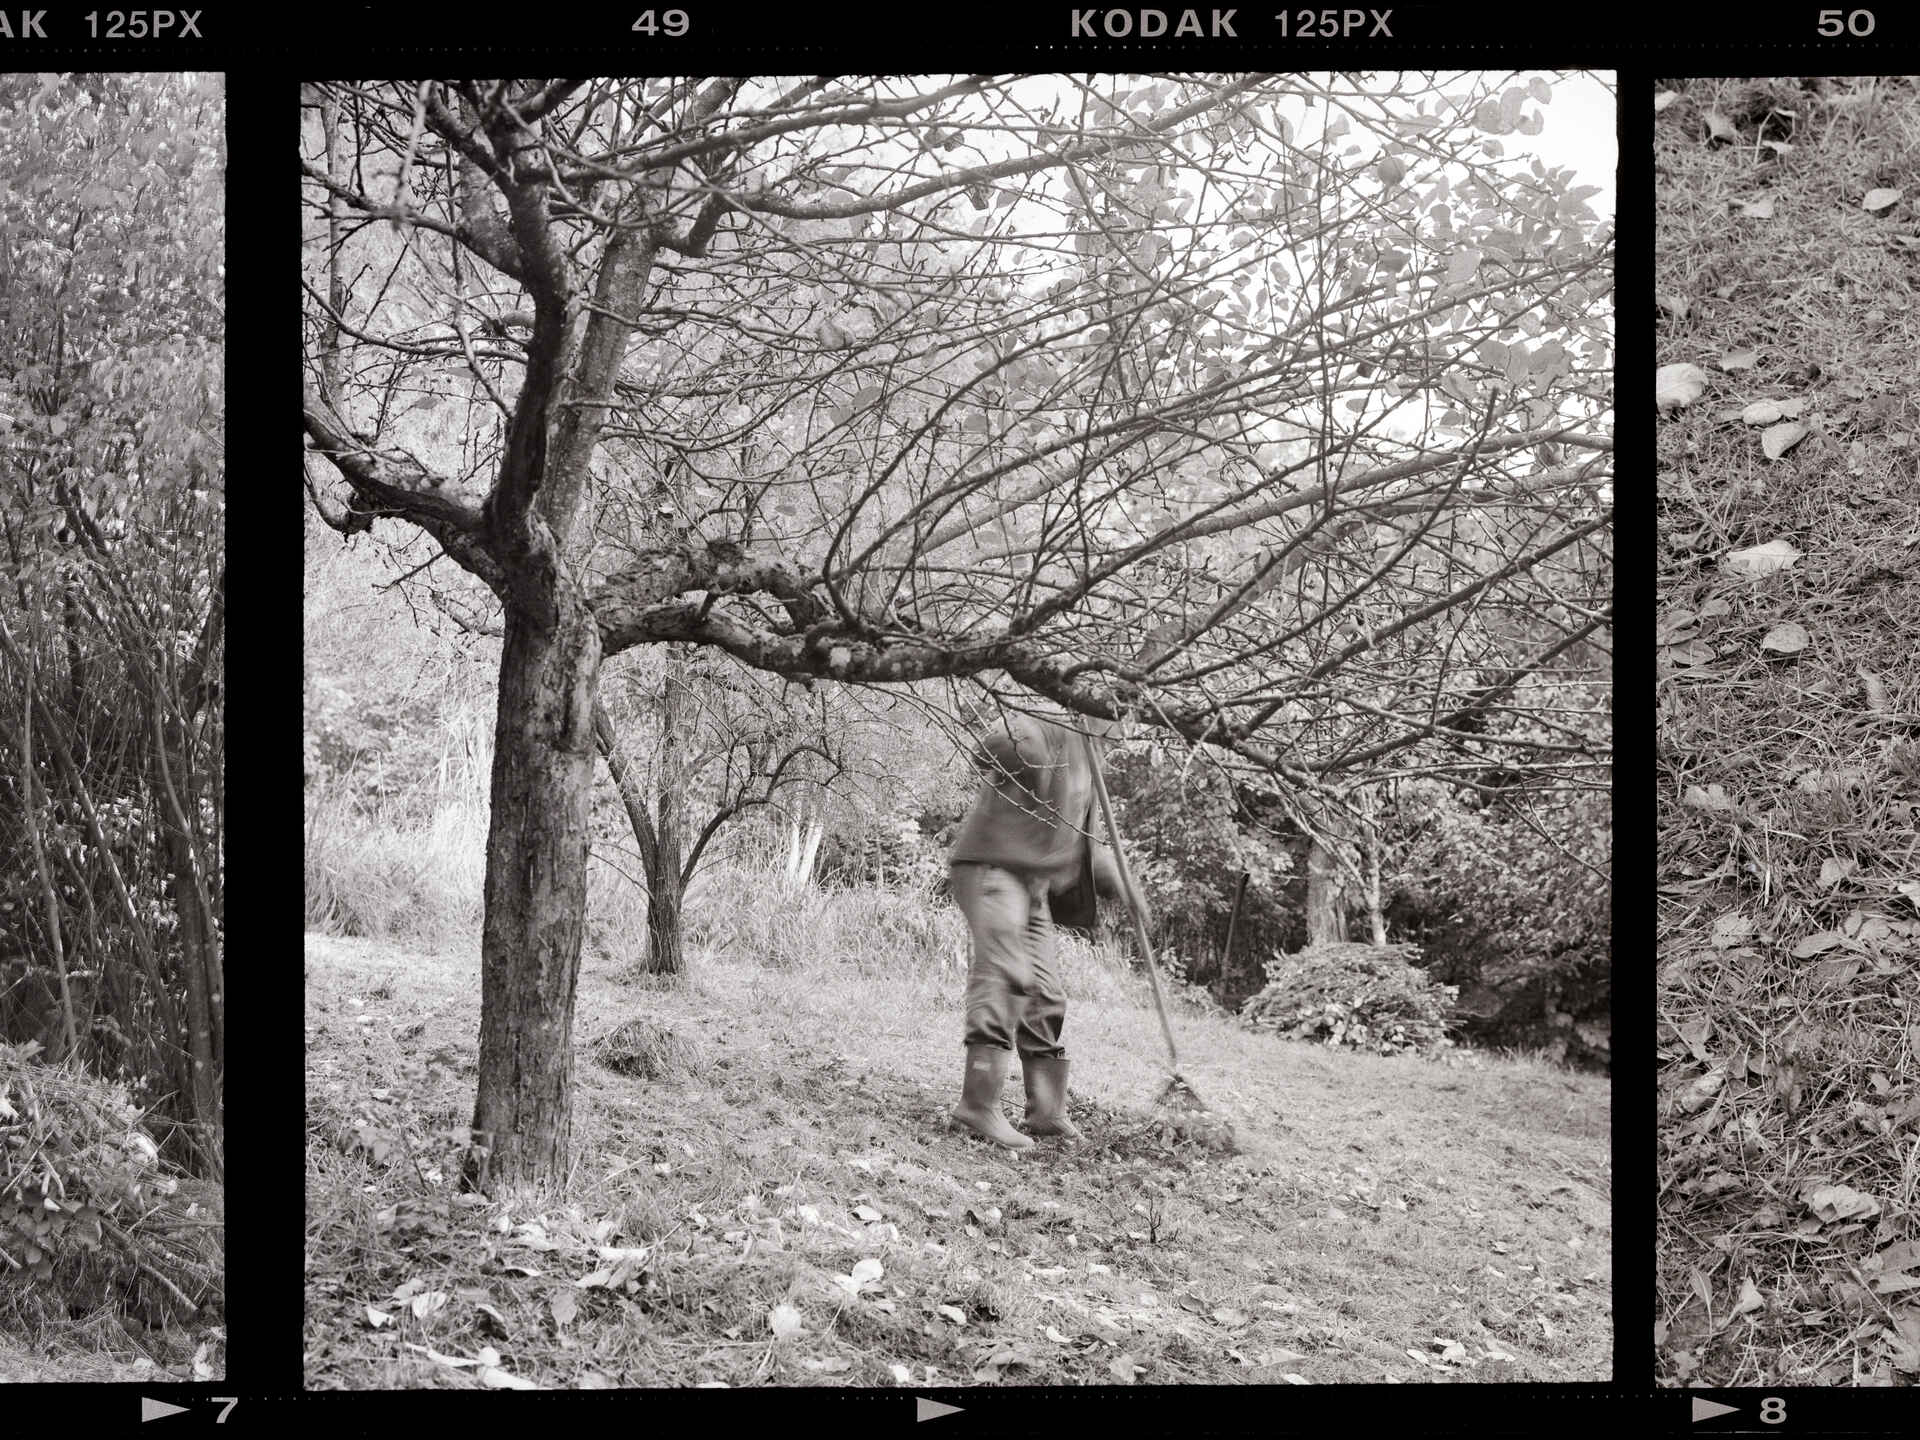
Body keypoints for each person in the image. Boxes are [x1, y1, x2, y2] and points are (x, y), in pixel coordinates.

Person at [946, 709, 1135, 1148]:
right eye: (1121, 719)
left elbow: (1074, 841)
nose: (1127, 733)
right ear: (1097, 712)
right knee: (1008, 973)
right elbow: (996, 743)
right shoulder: (1049, 729)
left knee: (1046, 993)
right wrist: (1027, 749)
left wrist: (1121, 883)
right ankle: (977, 1106)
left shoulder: (1089, 763)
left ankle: (1046, 1113)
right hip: (992, 868)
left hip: (1032, 884)